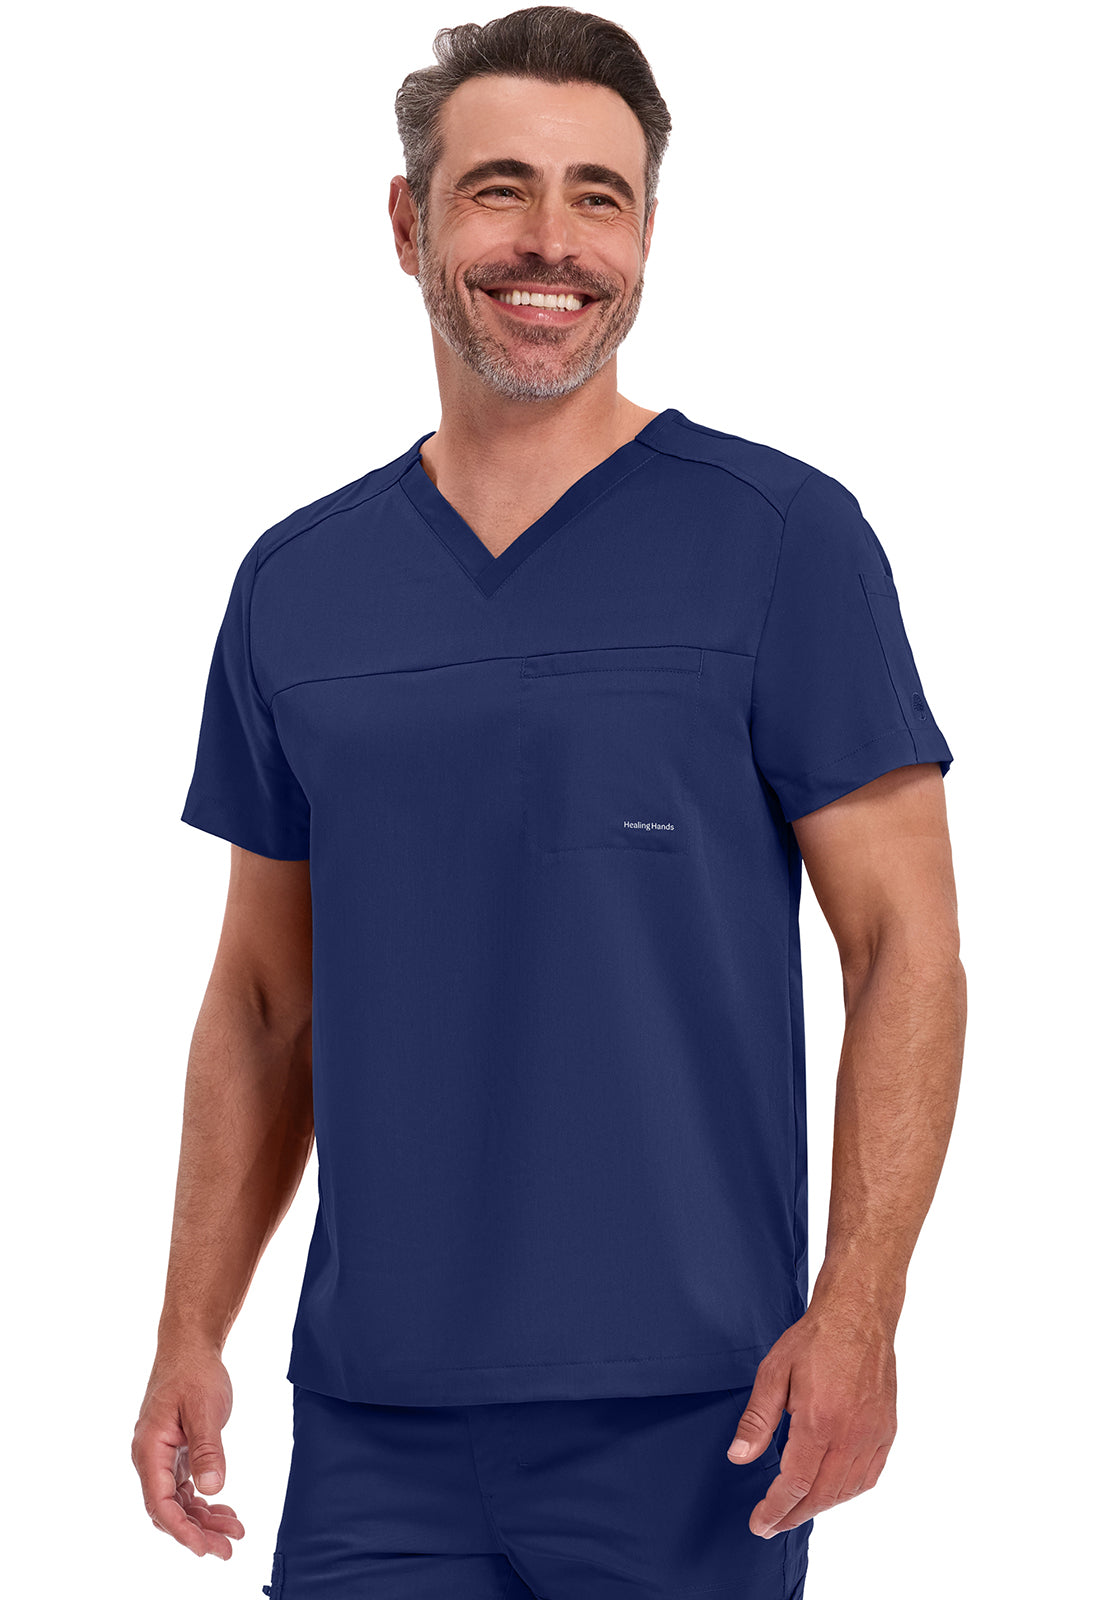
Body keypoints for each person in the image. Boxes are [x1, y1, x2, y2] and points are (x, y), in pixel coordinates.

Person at [131, 8, 967, 1597]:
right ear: (409, 224)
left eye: (601, 196)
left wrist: (861, 1311)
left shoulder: (783, 541)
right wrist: (190, 1326)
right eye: (499, 188)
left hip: (701, 1409)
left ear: (646, 235)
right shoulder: (297, 584)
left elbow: (904, 948)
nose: (552, 242)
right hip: (374, 1415)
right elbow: (262, 999)